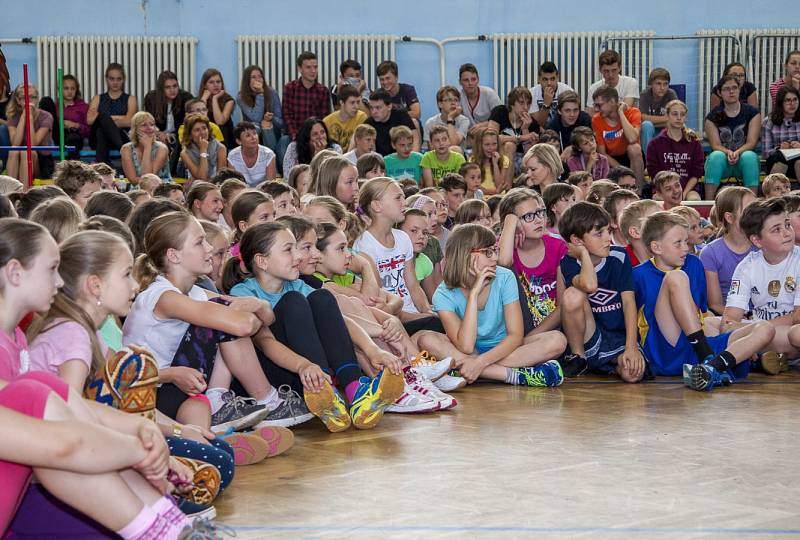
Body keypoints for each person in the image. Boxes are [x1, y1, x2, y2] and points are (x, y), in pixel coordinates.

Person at [123, 211, 312, 429]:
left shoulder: (195, 293)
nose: (209, 249)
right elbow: (243, 325)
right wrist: (251, 310)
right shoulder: (164, 297)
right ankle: (266, 399)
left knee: (201, 426)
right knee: (224, 316)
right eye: (200, 242)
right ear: (174, 255)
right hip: (153, 389)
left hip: (186, 385)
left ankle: (222, 419)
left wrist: (259, 304)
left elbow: (267, 317)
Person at [223, 221, 406, 430]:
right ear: (262, 261)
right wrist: (304, 365)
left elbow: (340, 320)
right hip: (282, 374)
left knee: (323, 298)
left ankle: (352, 391)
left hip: (311, 372)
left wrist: (372, 350)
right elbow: (265, 343)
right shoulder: (244, 293)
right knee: (293, 301)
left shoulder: (299, 284)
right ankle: (324, 389)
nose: (298, 256)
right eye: (288, 250)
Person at [633, 211, 774, 391]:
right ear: (656, 247)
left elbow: (699, 314)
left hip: (695, 345)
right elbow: (631, 320)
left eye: (686, 241)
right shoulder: (638, 274)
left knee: (765, 328)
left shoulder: (694, 264)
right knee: (676, 277)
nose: (685, 248)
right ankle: (713, 357)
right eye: (678, 243)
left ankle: (712, 367)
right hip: (665, 349)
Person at [432, 223, 565, 387]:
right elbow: (466, 346)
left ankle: (463, 369)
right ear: (465, 255)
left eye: (495, 250)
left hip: (506, 349)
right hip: (469, 350)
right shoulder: (443, 294)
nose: (495, 258)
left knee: (557, 340)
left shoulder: (504, 277)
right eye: (488, 252)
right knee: (426, 338)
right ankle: (511, 375)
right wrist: (473, 295)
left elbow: (515, 336)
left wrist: (480, 362)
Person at [556, 201, 646, 381]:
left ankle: (613, 364)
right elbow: (589, 285)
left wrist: (631, 347)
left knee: (632, 375)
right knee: (573, 294)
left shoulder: (619, 257)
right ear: (577, 240)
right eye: (599, 234)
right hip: (589, 336)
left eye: (609, 231)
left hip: (618, 337)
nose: (607, 238)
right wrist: (583, 254)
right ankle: (579, 358)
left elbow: (629, 303)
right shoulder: (568, 262)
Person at [718, 199, 800, 371]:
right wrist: (755, 329)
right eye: (776, 230)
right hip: (762, 330)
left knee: (796, 334)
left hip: (784, 332)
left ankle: (753, 352)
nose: (787, 233)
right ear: (757, 240)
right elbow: (728, 322)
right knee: (710, 323)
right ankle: (768, 355)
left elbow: (796, 317)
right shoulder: (747, 266)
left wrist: (759, 329)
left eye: (787, 225)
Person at [353, 178, 431, 318]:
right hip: (393, 318)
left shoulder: (403, 238)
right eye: (398, 198)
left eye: (404, 197)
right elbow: (380, 299)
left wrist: (427, 312)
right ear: (377, 206)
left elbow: (413, 287)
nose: (404, 203)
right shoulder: (365, 245)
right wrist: (422, 319)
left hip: (413, 313)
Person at [497, 187, 567, 333]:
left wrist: (529, 339)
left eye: (540, 213)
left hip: (554, 328)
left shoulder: (558, 246)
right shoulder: (505, 247)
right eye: (528, 216)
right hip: (517, 327)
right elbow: (503, 263)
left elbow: (563, 306)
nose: (538, 220)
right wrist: (510, 221)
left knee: (555, 340)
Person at [699, 187, 756, 314]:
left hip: (764, 316)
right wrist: (742, 318)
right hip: (728, 317)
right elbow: (715, 304)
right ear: (729, 217)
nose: (757, 214)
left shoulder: (762, 245)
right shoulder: (710, 253)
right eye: (749, 210)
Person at [704, 74, 762, 200]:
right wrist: (728, 152)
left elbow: (752, 142)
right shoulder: (711, 117)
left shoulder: (752, 113)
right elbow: (715, 145)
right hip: (723, 161)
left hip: (743, 161)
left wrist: (737, 152)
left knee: (750, 156)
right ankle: (708, 203)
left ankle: (752, 202)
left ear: (739, 90)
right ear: (719, 93)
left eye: (734, 88)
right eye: (726, 89)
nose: (731, 91)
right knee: (715, 156)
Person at [646, 100, 704, 200]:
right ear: (667, 116)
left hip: (688, 189)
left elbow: (696, 174)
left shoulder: (694, 143)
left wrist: (683, 193)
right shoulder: (654, 144)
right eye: (674, 114)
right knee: (657, 199)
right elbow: (655, 174)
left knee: (694, 200)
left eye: (682, 115)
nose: (679, 118)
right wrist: (670, 192)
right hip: (663, 189)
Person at [591, 86, 644, 187]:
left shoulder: (633, 112)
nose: (596, 109)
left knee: (634, 148)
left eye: (599, 105)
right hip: (612, 159)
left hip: (631, 157)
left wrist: (621, 113)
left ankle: (638, 192)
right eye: (595, 105)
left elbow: (632, 139)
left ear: (612, 101)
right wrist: (624, 171)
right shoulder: (596, 119)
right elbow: (602, 152)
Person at [143, 70, 193, 175]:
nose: (172, 90)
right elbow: (148, 120)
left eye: (175, 86)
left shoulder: (186, 97)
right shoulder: (151, 98)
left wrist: (174, 134)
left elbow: (189, 122)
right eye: (168, 87)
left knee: (181, 139)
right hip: (157, 134)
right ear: (161, 89)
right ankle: (155, 173)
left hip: (178, 134)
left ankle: (171, 172)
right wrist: (158, 133)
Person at [87, 63, 137, 165]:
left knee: (102, 129)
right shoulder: (97, 98)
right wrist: (118, 118)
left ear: (123, 80)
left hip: (121, 137)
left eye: (119, 79)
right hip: (96, 141)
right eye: (112, 79)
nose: (115, 82)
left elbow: (129, 121)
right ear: (106, 79)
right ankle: (123, 149)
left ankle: (102, 166)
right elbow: (90, 120)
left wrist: (105, 120)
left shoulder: (131, 99)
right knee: (102, 119)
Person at [4, 83, 54, 181]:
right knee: (13, 151)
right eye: (24, 98)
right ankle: (10, 192)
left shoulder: (46, 116)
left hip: (41, 161)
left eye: (32, 97)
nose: (29, 100)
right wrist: (23, 118)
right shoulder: (13, 117)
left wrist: (29, 118)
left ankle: (24, 194)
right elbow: (15, 143)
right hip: (18, 159)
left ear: (37, 99)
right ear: (18, 101)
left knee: (26, 152)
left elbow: (33, 144)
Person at [282, 52, 331, 147]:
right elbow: (287, 116)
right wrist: (295, 136)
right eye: (308, 67)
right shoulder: (289, 88)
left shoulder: (323, 91)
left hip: (316, 135)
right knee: (283, 144)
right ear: (300, 69)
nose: (313, 71)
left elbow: (323, 119)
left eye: (315, 67)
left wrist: (315, 136)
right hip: (295, 134)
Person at [236, 64, 285, 156]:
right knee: (257, 126)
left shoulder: (272, 93)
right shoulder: (241, 97)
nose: (258, 79)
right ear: (247, 81)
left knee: (266, 124)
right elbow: (256, 118)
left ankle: (271, 159)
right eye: (253, 77)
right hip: (253, 132)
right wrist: (260, 94)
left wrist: (271, 118)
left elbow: (281, 123)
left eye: (260, 76)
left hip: (273, 130)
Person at [489, 87, 540, 172]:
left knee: (511, 147)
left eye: (528, 103)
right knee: (510, 146)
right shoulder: (500, 112)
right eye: (521, 103)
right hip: (497, 153)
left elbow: (529, 155)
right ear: (512, 104)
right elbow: (491, 138)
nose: (526, 107)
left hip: (520, 160)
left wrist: (525, 128)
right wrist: (523, 137)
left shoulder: (533, 123)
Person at [38, 74, 88, 160]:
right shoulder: (55, 106)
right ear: (60, 89)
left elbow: (89, 129)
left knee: (73, 138)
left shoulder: (83, 106)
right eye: (66, 88)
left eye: (72, 88)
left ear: (76, 90)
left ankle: (73, 168)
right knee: (46, 100)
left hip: (75, 137)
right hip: (59, 135)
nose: (69, 92)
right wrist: (59, 122)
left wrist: (75, 125)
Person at [120, 111, 172, 185]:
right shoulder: (126, 149)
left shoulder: (162, 148)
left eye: (152, 124)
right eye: (144, 125)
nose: (149, 128)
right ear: (135, 129)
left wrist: (147, 147)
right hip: (138, 189)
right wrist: (147, 146)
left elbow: (149, 177)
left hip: (161, 188)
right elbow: (133, 180)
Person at [762, 86, 800, 180]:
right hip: (777, 160)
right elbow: (766, 152)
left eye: (795, 100)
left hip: (798, 160)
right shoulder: (769, 121)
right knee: (780, 160)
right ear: (780, 103)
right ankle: (774, 194)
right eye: (788, 100)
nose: (792, 104)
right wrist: (779, 148)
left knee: (799, 163)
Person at [366, 89, 419, 156]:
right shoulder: (369, 123)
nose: (373, 112)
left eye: (378, 108)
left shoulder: (400, 115)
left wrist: (413, 158)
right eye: (371, 108)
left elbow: (415, 138)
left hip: (402, 156)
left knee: (415, 122)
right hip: (381, 161)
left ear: (389, 107)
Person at [638, 68, 678, 152]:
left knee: (681, 125)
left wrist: (653, 120)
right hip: (649, 131)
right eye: (658, 84)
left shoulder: (671, 94)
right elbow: (643, 118)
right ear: (651, 84)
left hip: (666, 129)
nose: (662, 88)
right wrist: (666, 118)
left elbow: (676, 117)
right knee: (647, 125)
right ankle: (650, 161)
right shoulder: (644, 95)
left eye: (665, 84)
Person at [179, 113, 227, 184]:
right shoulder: (185, 153)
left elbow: (220, 178)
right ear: (190, 134)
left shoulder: (220, 148)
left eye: (204, 128)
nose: (202, 133)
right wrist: (203, 150)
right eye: (197, 130)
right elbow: (202, 177)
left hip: (216, 185)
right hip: (198, 185)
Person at [227, 121, 277, 187]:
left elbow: (270, 185)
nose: (253, 137)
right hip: (242, 194)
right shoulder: (232, 156)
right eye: (248, 135)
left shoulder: (268, 154)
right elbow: (233, 185)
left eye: (255, 133)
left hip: (264, 193)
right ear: (239, 141)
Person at [545, 90, 592, 159]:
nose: (572, 115)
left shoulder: (584, 120)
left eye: (575, 110)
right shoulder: (552, 125)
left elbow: (591, 144)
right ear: (559, 111)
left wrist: (571, 148)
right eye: (567, 110)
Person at [458, 63, 502, 135]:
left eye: (473, 79)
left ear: (478, 80)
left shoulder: (490, 94)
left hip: (490, 134)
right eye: (466, 80)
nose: (470, 83)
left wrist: (483, 125)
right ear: (460, 82)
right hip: (468, 136)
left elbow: (501, 118)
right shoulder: (457, 97)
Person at [198, 68, 235, 150]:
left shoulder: (229, 100)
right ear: (205, 85)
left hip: (224, 137)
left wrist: (215, 99)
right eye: (211, 82)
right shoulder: (200, 100)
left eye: (218, 82)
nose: (216, 85)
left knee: (221, 127)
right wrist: (203, 99)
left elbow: (220, 121)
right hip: (206, 135)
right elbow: (197, 119)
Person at [529, 62, 574, 127]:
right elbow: (537, 125)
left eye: (552, 79)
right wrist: (546, 104)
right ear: (539, 79)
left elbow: (572, 119)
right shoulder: (532, 94)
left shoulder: (567, 91)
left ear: (557, 78)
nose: (549, 83)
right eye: (545, 79)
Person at [376, 60, 420, 128]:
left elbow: (416, 113)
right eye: (382, 79)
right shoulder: (378, 94)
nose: (385, 82)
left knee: (414, 121)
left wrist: (391, 115)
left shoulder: (408, 90)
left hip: (406, 127)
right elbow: (376, 115)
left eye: (388, 78)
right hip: (388, 127)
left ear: (396, 77)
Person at [424, 86, 469, 150]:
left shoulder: (464, 120)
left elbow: (454, 144)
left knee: (456, 149)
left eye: (456, 100)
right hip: (437, 157)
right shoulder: (431, 122)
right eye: (449, 100)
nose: (453, 103)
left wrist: (450, 118)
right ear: (440, 104)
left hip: (457, 158)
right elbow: (432, 149)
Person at [323, 85, 367, 151]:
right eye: (352, 103)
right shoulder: (327, 121)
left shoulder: (362, 117)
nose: (356, 107)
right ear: (342, 103)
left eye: (358, 102)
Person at [469, 127, 511, 195]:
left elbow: (499, 186)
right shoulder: (472, 161)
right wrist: (495, 192)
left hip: (498, 198)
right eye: (487, 144)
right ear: (479, 145)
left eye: (494, 144)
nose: (491, 148)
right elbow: (475, 186)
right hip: (481, 198)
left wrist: (495, 165)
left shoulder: (504, 159)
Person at [619, 199, 661, 266]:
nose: (666, 225)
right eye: (656, 221)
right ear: (635, 232)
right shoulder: (620, 265)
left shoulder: (673, 257)